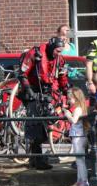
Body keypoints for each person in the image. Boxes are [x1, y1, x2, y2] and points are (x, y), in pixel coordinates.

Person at [18, 37, 69, 170]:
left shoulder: (60, 59)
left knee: (48, 122)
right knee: (36, 126)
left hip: (47, 92)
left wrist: (66, 91)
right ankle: (36, 159)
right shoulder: (34, 54)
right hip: (33, 92)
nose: (59, 53)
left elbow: (63, 76)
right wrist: (29, 90)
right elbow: (22, 73)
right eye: (57, 51)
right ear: (52, 48)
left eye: (61, 51)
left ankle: (36, 158)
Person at [63, 87, 89, 186]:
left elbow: (74, 120)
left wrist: (67, 114)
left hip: (79, 136)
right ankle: (79, 182)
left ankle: (84, 183)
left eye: (70, 99)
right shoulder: (79, 107)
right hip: (78, 135)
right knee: (79, 160)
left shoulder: (78, 108)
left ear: (76, 98)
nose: (69, 101)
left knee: (80, 161)